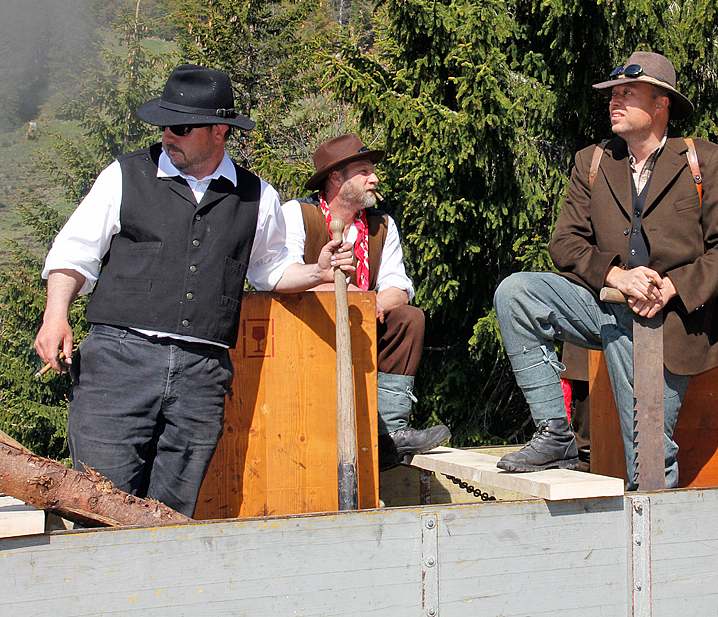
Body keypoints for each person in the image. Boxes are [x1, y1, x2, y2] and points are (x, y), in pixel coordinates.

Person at [33, 64, 351, 517]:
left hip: (202, 374)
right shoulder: (124, 175)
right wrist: (55, 316)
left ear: (219, 131)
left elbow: (272, 271)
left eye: (181, 127)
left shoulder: (257, 195)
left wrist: (317, 272)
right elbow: (74, 253)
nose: (168, 135)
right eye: (164, 125)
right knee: (98, 508)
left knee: (172, 516)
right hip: (119, 363)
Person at [493, 50, 718, 488]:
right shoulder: (592, 161)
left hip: (669, 321)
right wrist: (617, 277)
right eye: (613, 94)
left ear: (660, 103)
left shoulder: (703, 160)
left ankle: (653, 526)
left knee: (648, 457)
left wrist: (671, 287)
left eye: (628, 93)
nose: (615, 101)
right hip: (603, 306)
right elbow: (565, 243)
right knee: (515, 293)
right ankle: (555, 433)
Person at [281, 134, 451, 468]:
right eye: (364, 171)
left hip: (364, 326)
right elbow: (283, 276)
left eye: (372, 171)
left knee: (408, 318)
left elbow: (397, 287)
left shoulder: (381, 225)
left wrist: (371, 305)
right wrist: (341, 292)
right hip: (307, 330)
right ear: (335, 178)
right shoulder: (298, 214)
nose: (374, 178)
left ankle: (390, 434)